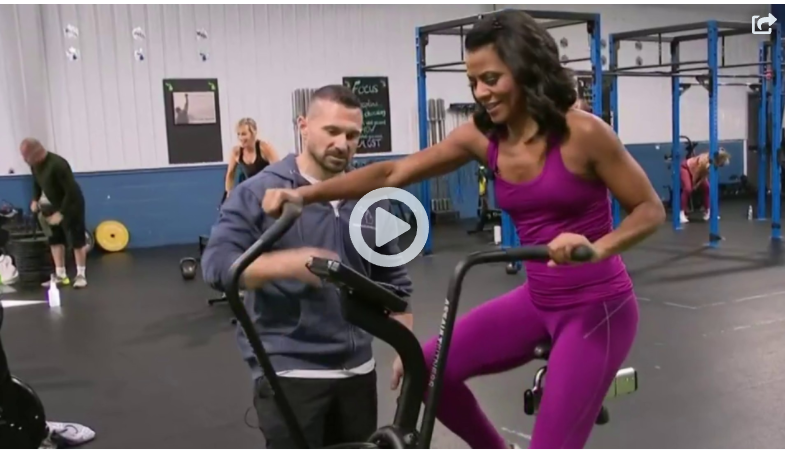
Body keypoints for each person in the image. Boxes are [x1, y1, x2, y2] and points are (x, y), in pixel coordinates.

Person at [262, 10, 665, 449]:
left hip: (597, 309)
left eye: (491, 78)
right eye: (473, 81)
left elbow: (649, 209)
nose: (481, 92)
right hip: (538, 298)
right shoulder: (483, 135)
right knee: (429, 369)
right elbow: (392, 172)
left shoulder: (584, 133)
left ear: (526, 68)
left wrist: (597, 248)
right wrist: (306, 194)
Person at [201, 85, 413, 449]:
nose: (343, 144)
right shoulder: (257, 192)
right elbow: (217, 266)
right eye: (332, 131)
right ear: (304, 126)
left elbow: (395, 283)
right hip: (290, 371)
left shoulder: (368, 197)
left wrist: (407, 350)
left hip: (359, 373)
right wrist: (289, 263)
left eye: (352, 135)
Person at [21, 139, 89, 289]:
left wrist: (62, 213)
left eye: (27, 157)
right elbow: (36, 183)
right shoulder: (35, 166)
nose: (25, 161)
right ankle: (61, 275)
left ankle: (81, 275)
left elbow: (71, 191)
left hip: (72, 204)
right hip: (54, 203)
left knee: (76, 240)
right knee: (55, 239)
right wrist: (35, 199)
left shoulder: (58, 164)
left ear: (37, 153)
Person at [224, 118, 280, 198]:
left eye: (244, 134)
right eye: (238, 134)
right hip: (250, 193)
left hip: (267, 191)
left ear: (253, 133)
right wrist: (229, 192)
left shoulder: (264, 148)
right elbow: (230, 175)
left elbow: (279, 169)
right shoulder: (236, 152)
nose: (240, 138)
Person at [679, 148, 730, 223]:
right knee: (688, 189)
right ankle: (681, 214)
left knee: (707, 188)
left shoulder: (713, 163)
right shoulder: (704, 160)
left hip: (697, 172)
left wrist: (697, 185)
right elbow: (696, 173)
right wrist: (694, 184)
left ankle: (709, 212)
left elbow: (704, 176)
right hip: (685, 168)